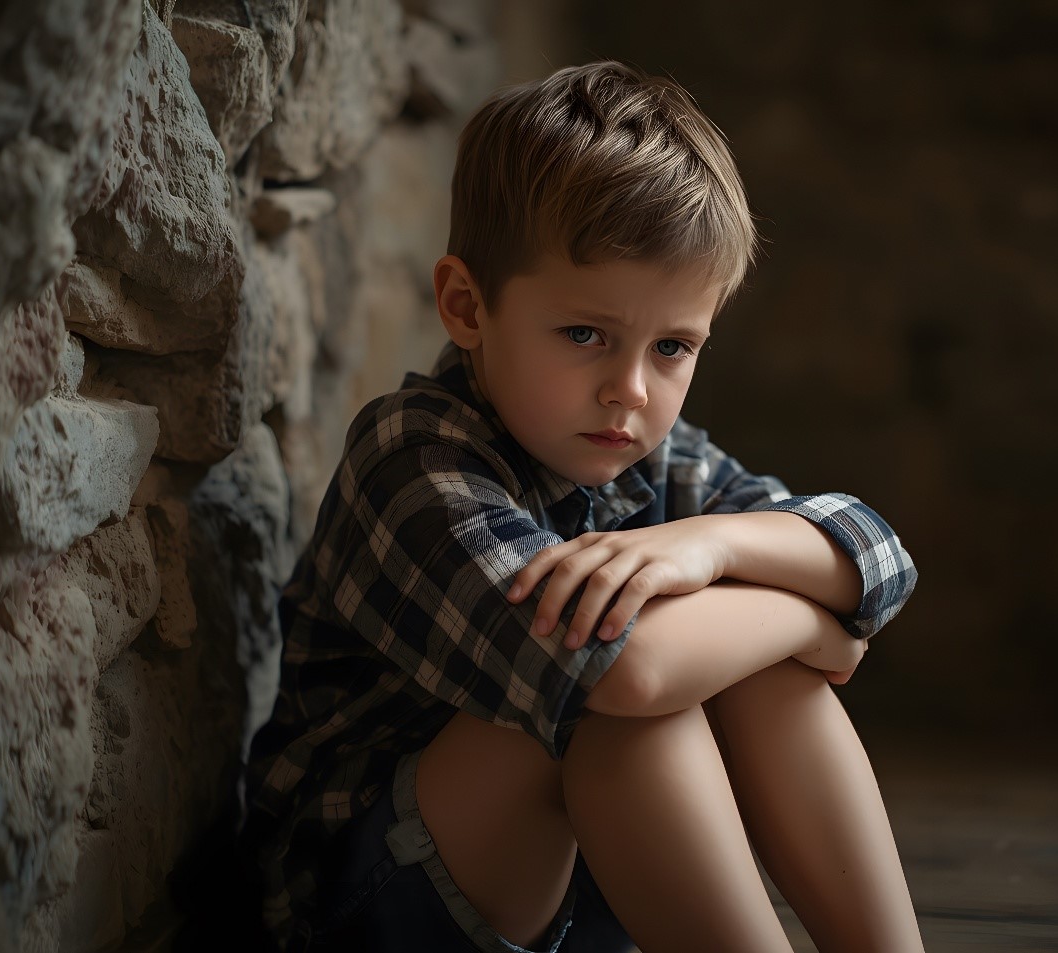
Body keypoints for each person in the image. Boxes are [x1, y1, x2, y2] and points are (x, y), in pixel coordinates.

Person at [239, 61, 925, 953]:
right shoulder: (413, 457)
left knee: (757, 667)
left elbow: (878, 557)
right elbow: (622, 675)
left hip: (570, 899)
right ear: (465, 305)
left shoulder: (652, 461)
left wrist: (714, 545)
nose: (629, 391)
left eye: (673, 346)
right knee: (626, 717)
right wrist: (813, 625)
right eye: (584, 335)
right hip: (361, 906)